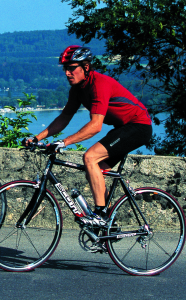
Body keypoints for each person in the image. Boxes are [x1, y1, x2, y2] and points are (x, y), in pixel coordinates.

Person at [23, 45, 152, 226]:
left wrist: (63, 142)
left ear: (85, 67)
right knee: (94, 169)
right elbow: (64, 117)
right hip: (122, 127)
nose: (67, 73)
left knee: (90, 157)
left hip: (138, 126)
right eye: (65, 69)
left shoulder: (99, 84)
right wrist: (37, 138)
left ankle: (101, 214)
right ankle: (109, 224)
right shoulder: (77, 90)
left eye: (71, 68)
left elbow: (95, 126)